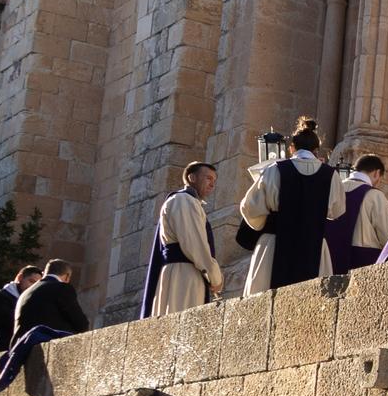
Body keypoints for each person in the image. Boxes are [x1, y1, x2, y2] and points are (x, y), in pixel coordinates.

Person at [238, 117, 346, 295]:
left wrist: (264, 221)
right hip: (314, 244)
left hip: (275, 243)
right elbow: (337, 211)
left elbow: (250, 208)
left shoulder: (274, 169)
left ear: (291, 148)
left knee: (265, 300)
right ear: (316, 149)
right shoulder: (331, 175)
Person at [141, 162, 224, 317]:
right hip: (183, 275)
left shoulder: (188, 202)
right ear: (192, 177)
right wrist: (215, 277)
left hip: (184, 272)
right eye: (208, 178)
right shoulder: (184, 201)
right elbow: (195, 244)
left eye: (214, 180)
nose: (212, 183)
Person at [325, 154, 388, 272]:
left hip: (331, 258)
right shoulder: (375, 196)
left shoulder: (333, 190)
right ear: (377, 173)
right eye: (380, 179)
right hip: (364, 263)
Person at [15, 260, 89, 336]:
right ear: (67, 277)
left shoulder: (25, 293)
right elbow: (81, 323)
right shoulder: (62, 288)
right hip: (43, 340)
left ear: (44, 273)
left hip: (22, 344)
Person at [0, 266, 40, 354]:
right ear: (20, 278)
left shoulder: (31, 301)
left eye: (36, 284)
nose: (33, 287)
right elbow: (11, 321)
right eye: (31, 281)